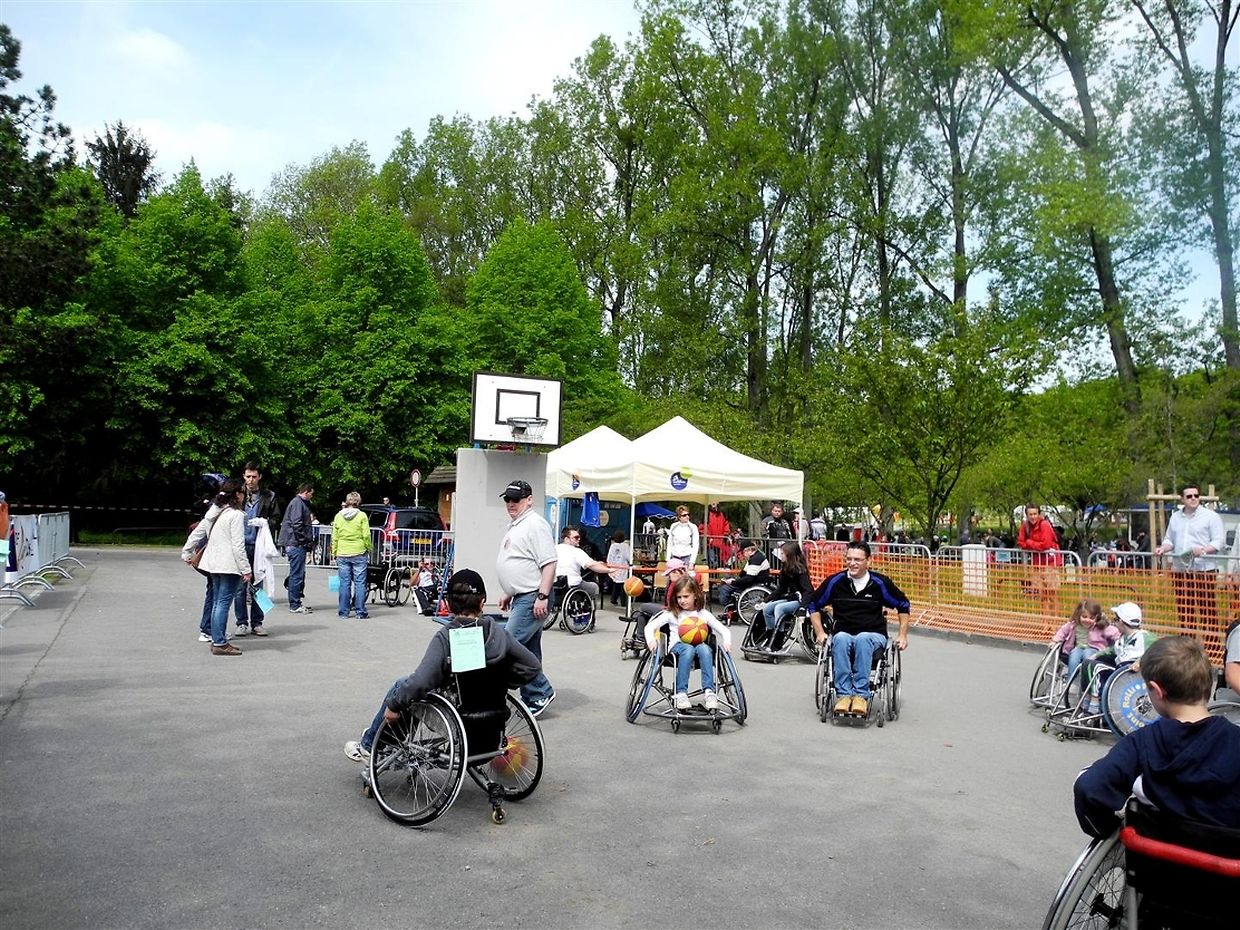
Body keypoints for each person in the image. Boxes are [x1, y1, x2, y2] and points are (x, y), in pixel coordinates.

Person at [343, 569, 540, 762]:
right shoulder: (498, 633)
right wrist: (502, 682)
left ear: (448, 603)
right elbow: (532, 666)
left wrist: (395, 705)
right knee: (410, 688)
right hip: (493, 715)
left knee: (403, 686)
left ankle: (370, 745)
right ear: (482, 602)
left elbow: (422, 680)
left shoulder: (447, 636)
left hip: (456, 716)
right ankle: (386, 740)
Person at [1073, 635, 1240, 837]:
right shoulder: (1235, 740)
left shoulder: (1143, 742)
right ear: (1207, 683)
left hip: (1153, 851)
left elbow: (1089, 787)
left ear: (1157, 691)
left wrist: (1108, 829)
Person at [807, 541, 911, 717]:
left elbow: (903, 605)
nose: (852, 563)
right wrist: (819, 632)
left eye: (857, 559)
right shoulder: (836, 582)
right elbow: (813, 604)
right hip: (844, 633)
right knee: (840, 638)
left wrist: (902, 635)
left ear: (868, 561)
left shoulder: (879, 583)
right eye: (849, 559)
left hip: (874, 635)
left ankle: (861, 696)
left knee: (863, 638)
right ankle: (844, 695)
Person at [495, 479, 558, 716]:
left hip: (532, 597)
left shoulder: (535, 524)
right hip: (524, 595)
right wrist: (509, 591)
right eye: (507, 499)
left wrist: (542, 595)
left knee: (507, 646)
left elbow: (549, 562)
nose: (511, 504)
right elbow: (523, 562)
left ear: (529, 500)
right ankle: (536, 695)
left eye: (516, 499)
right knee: (527, 650)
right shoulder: (518, 524)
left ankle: (541, 691)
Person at [644, 575, 731, 712]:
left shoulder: (703, 614)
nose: (682, 600)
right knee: (688, 649)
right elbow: (650, 627)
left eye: (686, 596)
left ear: (695, 595)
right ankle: (681, 693)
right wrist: (650, 640)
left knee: (705, 649)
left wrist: (727, 640)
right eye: (679, 597)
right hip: (677, 647)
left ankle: (709, 691)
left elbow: (723, 629)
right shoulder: (672, 614)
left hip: (698, 646)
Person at [1155, 484, 1225, 634]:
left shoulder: (1211, 516)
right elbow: (1170, 540)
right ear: (1182, 499)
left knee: (1207, 611)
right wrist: (1163, 548)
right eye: (1189, 496)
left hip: (1203, 570)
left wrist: (1203, 550)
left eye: (1196, 495)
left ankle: (1211, 644)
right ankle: (1186, 644)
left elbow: (1219, 541)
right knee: (1185, 611)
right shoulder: (1175, 517)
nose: (1193, 498)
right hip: (1181, 570)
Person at [196, 479, 252, 656]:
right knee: (222, 603)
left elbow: (202, 531)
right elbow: (238, 545)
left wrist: (187, 551)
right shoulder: (236, 515)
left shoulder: (217, 512)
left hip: (214, 564)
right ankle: (220, 642)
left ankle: (217, 638)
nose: (244, 496)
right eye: (243, 492)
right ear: (238, 495)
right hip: (228, 566)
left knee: (217, 602)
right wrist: (246, 569)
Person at [1082, 602, 1159, 713]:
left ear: (1121, 622)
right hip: (1120, 670)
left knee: (1095, 667)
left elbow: (1156, 650)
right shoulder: (1123, 638)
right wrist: (1097, 655)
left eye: (1115, 620)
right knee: (1088, 662)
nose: (1114, 623)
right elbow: (1113, 650)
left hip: (1128, 673)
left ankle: (1094, 703)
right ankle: (1088, 698)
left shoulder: (1145, 637)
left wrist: (1139, 662)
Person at [233, 463, 282, 637]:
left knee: (258, 585)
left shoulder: (269, 495)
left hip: (259, 546)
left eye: (254, 476)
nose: (251, 480)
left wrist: (265, 523)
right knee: (239, 587)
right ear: (244, 476)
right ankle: (241, 622)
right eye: (248, 476)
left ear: (259, 477)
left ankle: (257, 622)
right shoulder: (237, 494)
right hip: (240, 545)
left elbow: (276, 518)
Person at [1049, 598, 1120, 701]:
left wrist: (1120, 641)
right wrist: (1055, 641)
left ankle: (1085, 683)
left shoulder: (1101, 626)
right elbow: (1062, 632)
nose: (1087, 620)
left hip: (1095, 649)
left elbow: (1115, 633)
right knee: (1074, 656)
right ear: (1079, 615)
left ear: (1097, 617)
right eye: (1084, 617)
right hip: (1078, 648)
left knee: (1087, 654)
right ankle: (1071, 682)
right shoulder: (1073, 625)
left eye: (1091, 618)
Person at [754, 541, 813, 650]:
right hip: (791, 597)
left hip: (800, 600)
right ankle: (771, 637)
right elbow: (781, 589)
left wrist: (803, 608)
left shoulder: (801, 571)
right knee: (767, 609)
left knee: (779, 608)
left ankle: (777, 642)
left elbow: (808, 591)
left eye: (782, 553)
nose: (780, 555)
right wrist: (766, 601)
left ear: (790, 555)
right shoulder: (785, 568)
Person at [181, 491, 223, 643]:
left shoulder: (210, 514)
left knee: (213, 594)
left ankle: (208, 629)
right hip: (218, 561)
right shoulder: (225, 514)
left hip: (210, 561)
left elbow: (196, 534)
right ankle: (209, 630)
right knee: (217, 597)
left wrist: (186, 552)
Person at [555, 525, 624, 607]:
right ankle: (589, 608)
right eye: (576, 537)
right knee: (594, 587)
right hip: (573, 585)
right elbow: (591, 564)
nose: (579, 539)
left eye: (579, 537)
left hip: (555, 584)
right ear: (566, 539)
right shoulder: (576, 551)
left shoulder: (554, 549)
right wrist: (609, 570)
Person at [332, 491, 373, 620]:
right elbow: (366, 535)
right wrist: (368, 547)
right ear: (358, 502)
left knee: (344, 583)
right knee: (360, 583)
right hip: (359, 551)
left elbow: (335, 536)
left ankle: (343, 612)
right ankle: (360, 612)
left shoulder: (338, 516)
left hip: (342, 551)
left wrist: (334, 551)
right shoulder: (362, 516)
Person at [1017, 504, 1060, 618]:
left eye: (1035, 514)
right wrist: (1034, 545)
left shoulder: (1044, 525)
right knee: (1042, 595)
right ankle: (1045, 621)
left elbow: (1046, 545)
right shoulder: (1025, 526)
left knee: (1052, 593)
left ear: (1039, 514)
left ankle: (1055, 620)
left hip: (1050, 562)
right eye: (1030, 514)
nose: (1033, 517)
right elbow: (1020, 542)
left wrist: (1030, 543)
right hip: (1037, 563)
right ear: (1027, 515)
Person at [279, 483, 315, 614]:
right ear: (306, 492)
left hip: (294, 542)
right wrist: (304, 539)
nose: (312, 496)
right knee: (296, 575)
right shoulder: (298, 503)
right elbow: (297, 524)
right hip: (296, 543)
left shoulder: (298, 503)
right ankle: (295, 604)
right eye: (311, 493)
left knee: (297, 574)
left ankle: (296, 602)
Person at [716, 539, 771, 612]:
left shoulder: (756, 560)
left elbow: (749, 579)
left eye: (743, 552)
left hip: (753, 584)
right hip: (753, 582)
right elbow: (744, 574)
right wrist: (733, 578)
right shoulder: (754, 558)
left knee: (725, 589)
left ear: (750, 551)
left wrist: (733, 582)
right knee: (726, 582)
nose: (743, 555)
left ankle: (730, 608)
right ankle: (731, 609)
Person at [606, 530, 632, 606]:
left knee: (616, 584)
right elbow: (628, 557)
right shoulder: (625, 546)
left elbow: (609, 558)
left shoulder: (613, 546)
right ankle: (623, 602)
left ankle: (613, 599)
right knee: (623, 585)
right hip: (623, 567)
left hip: (614, 567)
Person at [704, 503, 730, 570]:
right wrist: (708, 537)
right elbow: (703, 527)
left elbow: (726, 525)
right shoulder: (707, 514)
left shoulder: (722, 514)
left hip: (721, 542)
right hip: (711, 543)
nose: (713, 503)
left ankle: (716, 574)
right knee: (712, 561)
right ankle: (711, 575)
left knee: (719, 561)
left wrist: (725, 534)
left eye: (715, 501)